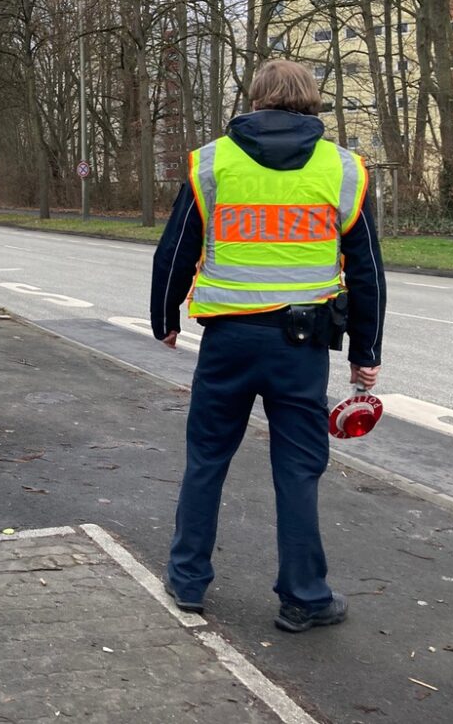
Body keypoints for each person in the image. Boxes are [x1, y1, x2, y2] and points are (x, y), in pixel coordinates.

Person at [150, 59, 386, 633]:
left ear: (254, 99)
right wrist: (366, 352)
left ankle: (187, 583)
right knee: (298, 470)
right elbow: (368, 271)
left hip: (228, 342)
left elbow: (176, 247)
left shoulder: (213, 162)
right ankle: (304, 596)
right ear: (311, 102)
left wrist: (164, 316)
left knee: (207, 459)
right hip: (299, 348)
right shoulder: (344, 169)